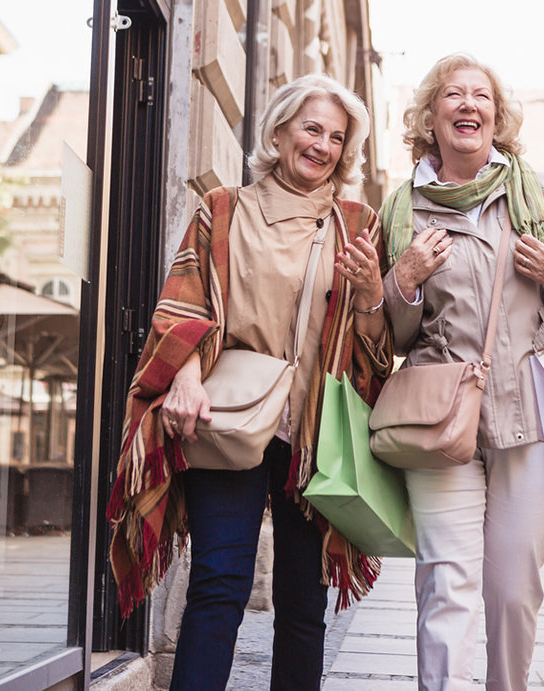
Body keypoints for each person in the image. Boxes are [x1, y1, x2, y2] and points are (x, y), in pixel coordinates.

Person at [107, 74, 391, 690]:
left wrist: (371, 293)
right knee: (218, 584)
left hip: (315, 433)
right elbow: (183, 302)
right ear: (280, 129)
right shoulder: (223, 209)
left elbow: (378, 342)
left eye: (337, 138)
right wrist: (183, 375)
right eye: (312, 128)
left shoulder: (358, 222)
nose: (322, 146)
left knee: (303, 603)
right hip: (229, 417)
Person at [380, 54, 544, 690]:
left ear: (497, 117)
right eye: (454, 94)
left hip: (526, 415)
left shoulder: (539, 192)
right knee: (446, 582)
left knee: (512, 588)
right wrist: (405, 281)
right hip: (438, 415)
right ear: (431, 115)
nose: (468, 104)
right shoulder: (403, 209)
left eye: (481, 96)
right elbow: (392, 336)